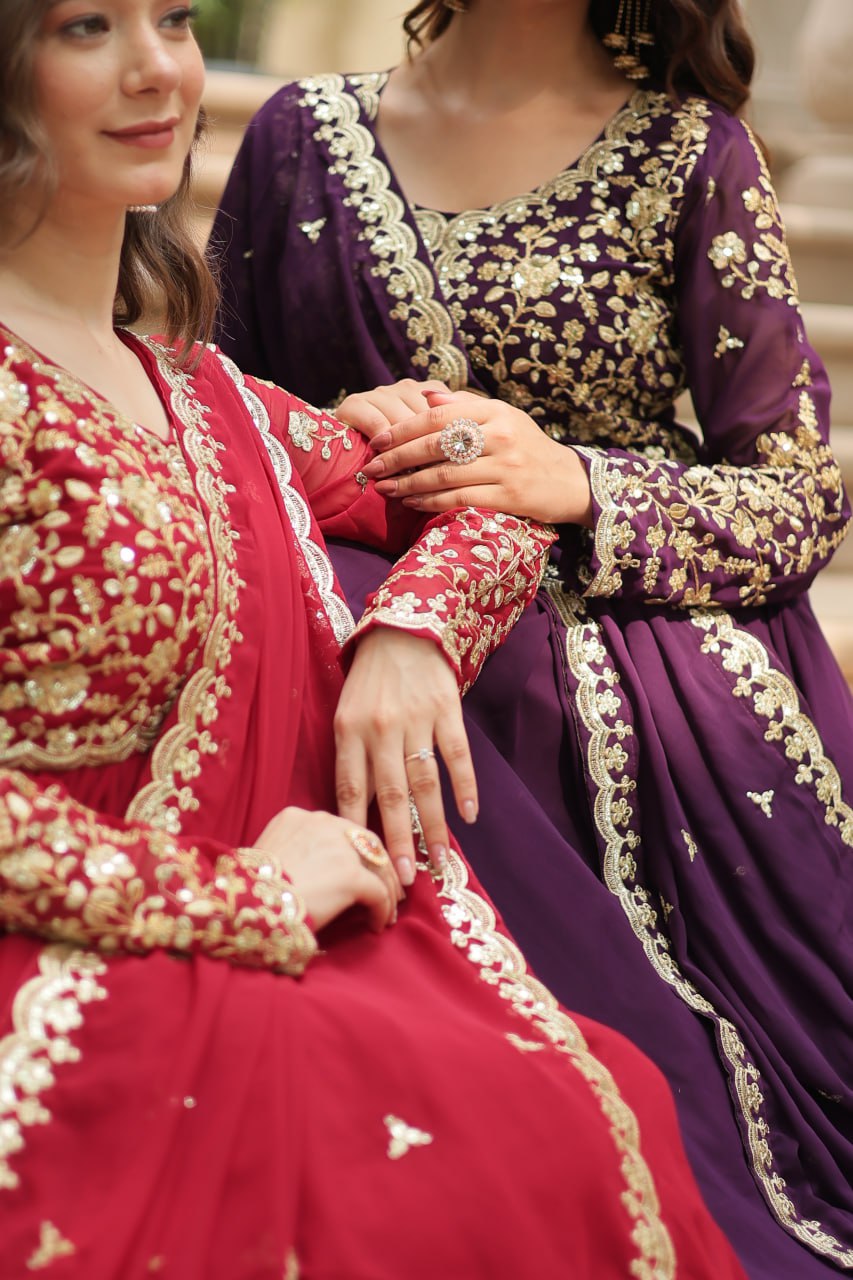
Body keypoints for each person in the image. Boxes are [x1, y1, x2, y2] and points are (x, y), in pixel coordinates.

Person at [0, 2, 755, 1277]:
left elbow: (485, 502)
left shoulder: (200, 390)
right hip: (90, 945)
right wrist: (242, 892)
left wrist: (408, 632)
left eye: (176, 16)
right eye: (86, 26)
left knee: (571, 1103)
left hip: (280, 926)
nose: (157, 68)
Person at [210, 0, 853, 1275]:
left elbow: (795, 494)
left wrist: (576, 481)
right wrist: (341, 430)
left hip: (630, 688)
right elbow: (221, 429)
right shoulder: (298, 137)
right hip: (353, 647)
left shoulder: (689, 151)